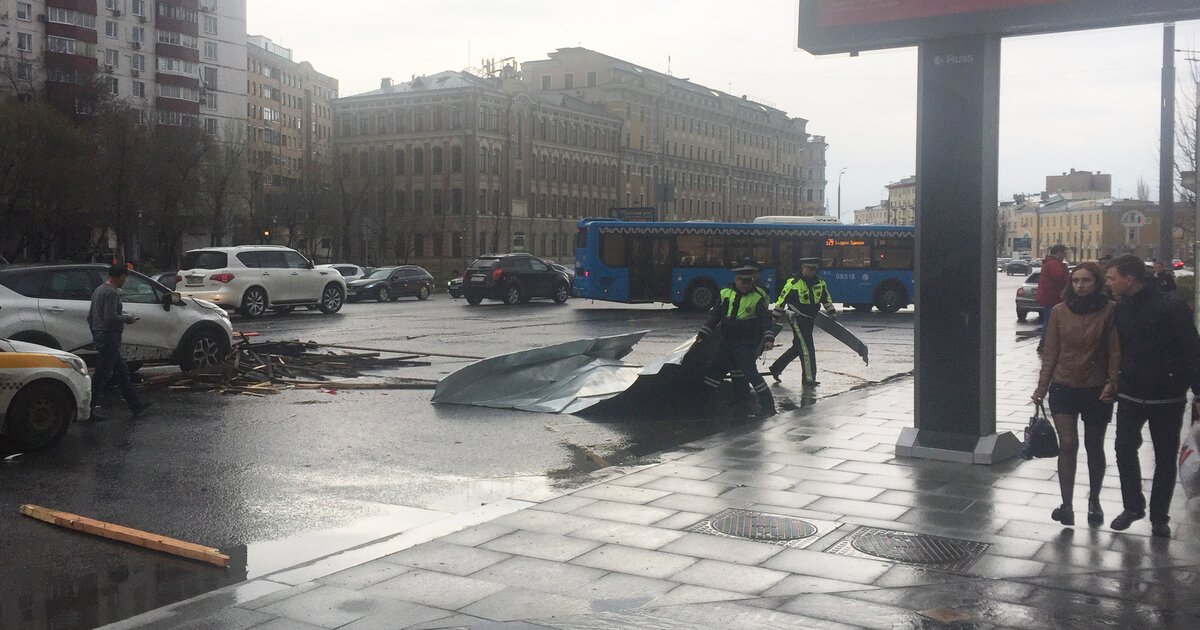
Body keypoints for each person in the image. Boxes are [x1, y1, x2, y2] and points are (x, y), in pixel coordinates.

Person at [1104, 254, 1200, 537]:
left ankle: (1160, 516)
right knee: (1123, 448)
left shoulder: (1171, 306)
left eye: (1112, 277)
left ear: (1129, 279)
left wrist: (1198, 393)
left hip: (1166, 396)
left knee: (1165, 457)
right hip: (1131, 392)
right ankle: (1133, 506)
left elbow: (1191, 350)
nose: (1109, 282)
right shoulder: (1121, 308)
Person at [1031, 262, 1119, 527]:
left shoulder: (1110, 311)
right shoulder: (1059, 311)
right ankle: (1067, 505)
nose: (1080, 285)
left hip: (1095, 387)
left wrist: (1112, 382)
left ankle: (1094, 500)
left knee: (1094, 446)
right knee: (1068, 444)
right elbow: (1051, 353)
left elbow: (1115, 351)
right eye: (1076, 280)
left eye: (1086, 281)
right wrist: (1041, 387)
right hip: (1064, 385)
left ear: (1097, 283)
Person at [698, 262, 777, 418]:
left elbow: (765, 319)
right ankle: (703, 404)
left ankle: (768, 407)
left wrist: (769, 338)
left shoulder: (757, 298)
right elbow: (715, 316)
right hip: (727, 341)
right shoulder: (725, 293)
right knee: (715, 371)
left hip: (745, 343)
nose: (746, 285)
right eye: (743, 282)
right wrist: (703, 334)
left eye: (749, 282)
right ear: (736, 279)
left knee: (751, 373)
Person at [88, 264, 149, 421]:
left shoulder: (98, 290)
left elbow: (90, 316)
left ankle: (135, 405)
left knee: (122, 372)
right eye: (125, 278)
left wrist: (95, 333)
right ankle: (88, 409)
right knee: (102, 374)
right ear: (121, 276)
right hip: (110, 337)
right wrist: (128, 318)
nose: (125, 281)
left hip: (101, 335)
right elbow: (111, 318)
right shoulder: (112, 293)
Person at [769, 258, 835, 387]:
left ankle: (776, 367)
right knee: (807, 349)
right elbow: (781, 300)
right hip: (797, 318)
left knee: (798, 347)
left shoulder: (820, 283)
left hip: (810, 319)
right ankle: (808, 379)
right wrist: (774, 317)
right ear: (803, 268)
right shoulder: (793, 283)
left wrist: (831, 311)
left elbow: (825, 298)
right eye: (808, 268)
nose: (811, 271)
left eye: (814, 269)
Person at [1036, 244, 1070, 351]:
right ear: (1059, 252)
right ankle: (1044, 344)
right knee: (1050, 322)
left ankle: (1045, 344)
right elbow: (1060, 278)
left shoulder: (1050, 263)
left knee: (1049, 321)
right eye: (1064, 253)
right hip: (1053, 298)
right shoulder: (1054, 264)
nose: (1065, 255)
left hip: (1050, 298)